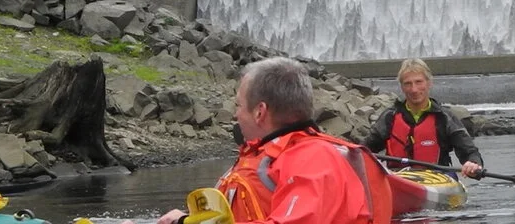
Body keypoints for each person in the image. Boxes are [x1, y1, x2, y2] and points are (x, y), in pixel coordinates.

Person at [158, 57, 394, 224]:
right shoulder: (264, 156)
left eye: (238, 105)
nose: (235, 114)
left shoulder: (314, 159)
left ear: (259, 112)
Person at [362, 58, 484, 178]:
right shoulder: (390, 117)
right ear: (402, 87)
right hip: (398, 178)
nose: (414, 89)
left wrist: (473, 164)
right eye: (408, 84)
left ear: (429, 83)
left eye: (419, 82)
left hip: (436, 179)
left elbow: (470, 152)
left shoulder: (444, 118)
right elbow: (363, 150)